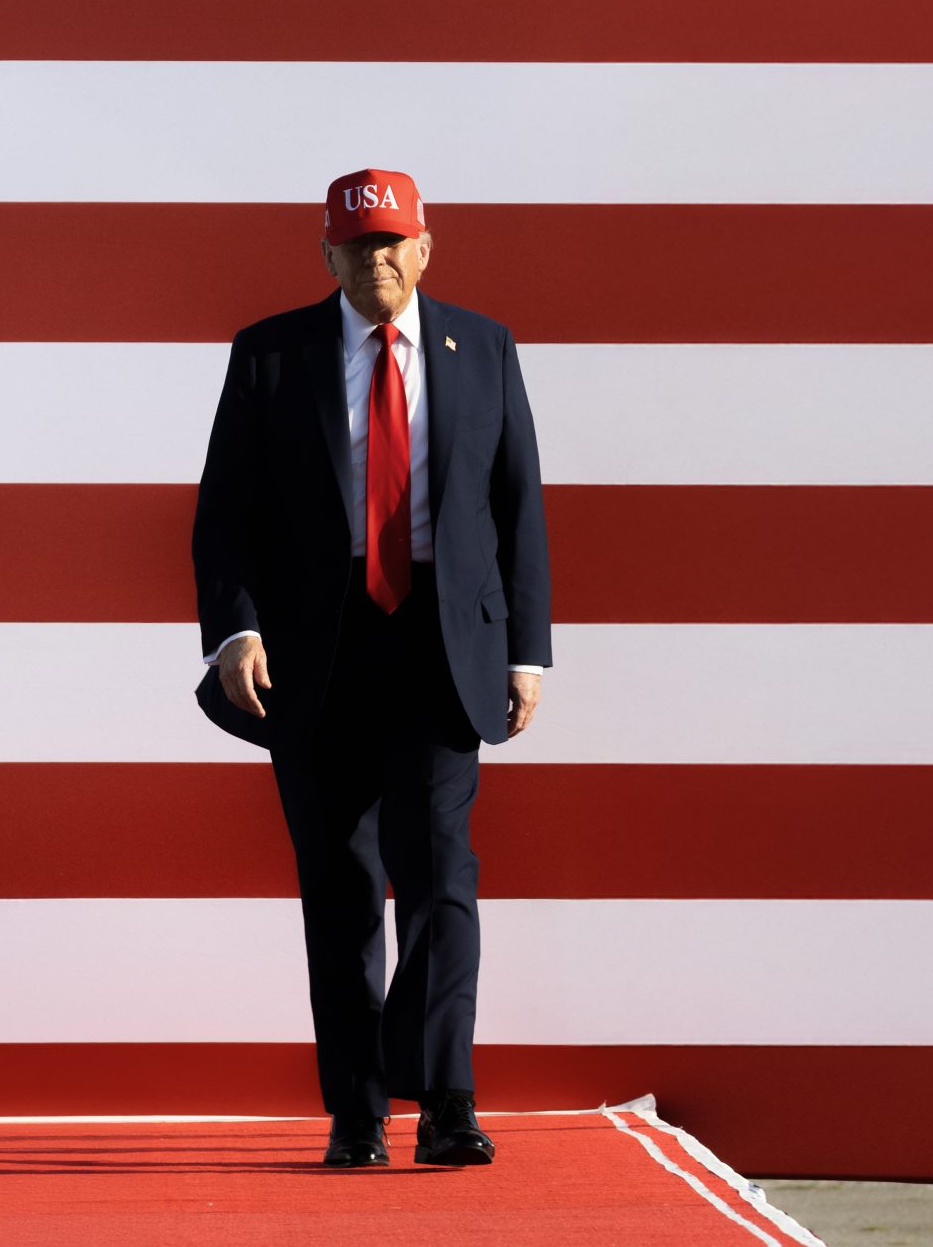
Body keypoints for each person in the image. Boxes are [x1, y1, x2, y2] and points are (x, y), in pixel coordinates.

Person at [191, 167, 553, 1168]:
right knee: (340, 887)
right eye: (357, 245)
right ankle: (358, 1112)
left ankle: (445, 1098)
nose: (377, 257)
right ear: (329, 256)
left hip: (443, 643)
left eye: (393, 241)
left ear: (425, 248)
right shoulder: (270, 355)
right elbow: (226, 514)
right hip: (318, 651)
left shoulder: (480, 347)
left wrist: (528, 646)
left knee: (441, 873)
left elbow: (519, 501)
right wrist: (236, 631)